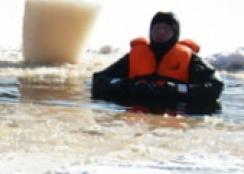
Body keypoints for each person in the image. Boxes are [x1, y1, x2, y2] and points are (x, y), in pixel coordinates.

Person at [91, 10, 223, 112]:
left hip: (174, 112)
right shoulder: (134, 56)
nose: (160, 32)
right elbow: (99, 80)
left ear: (175, 33)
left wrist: (175, 90)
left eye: (166, 29)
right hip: (138, 111)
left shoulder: (190, 59)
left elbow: (216, 86)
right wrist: (125, 85)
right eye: (157, 28)